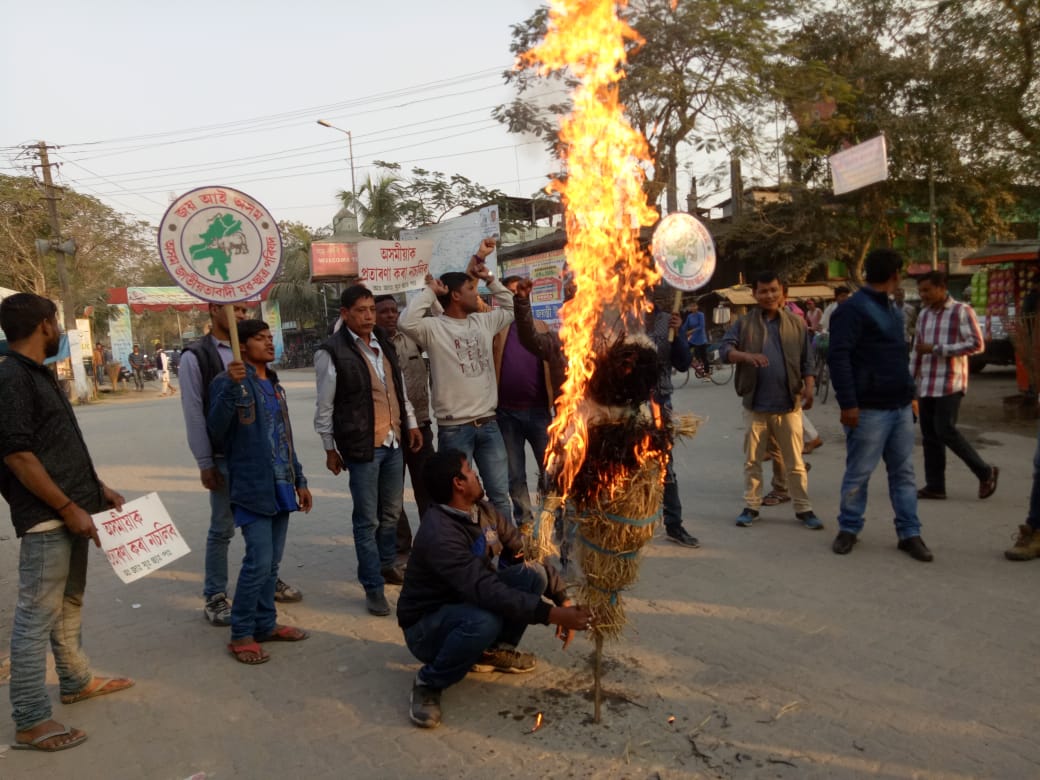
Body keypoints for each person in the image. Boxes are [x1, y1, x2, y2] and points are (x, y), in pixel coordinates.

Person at [0, 293, 134, 752]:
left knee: (68, 602)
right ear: (44, 325)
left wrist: (97, 491)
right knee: (35, 617)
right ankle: (31, 719)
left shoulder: (38, 375)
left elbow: (59, 448)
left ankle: (76, 680)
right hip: (47, 519)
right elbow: (17, 454)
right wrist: (67, 508)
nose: (57, 330)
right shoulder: (11, 376)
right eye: (55, 321)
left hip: (72, 512)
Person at [397, 449, 592, 729]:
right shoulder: (439, 534)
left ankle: (490, 653)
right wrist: (552, 616)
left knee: (533, 574)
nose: (476, 475)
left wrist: (563, 598)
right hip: (427, 627)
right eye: (470, 471)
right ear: (458, 483)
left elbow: (527, 552)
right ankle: (429, 681)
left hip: (467, 601)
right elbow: (485, 590)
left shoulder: (483, 510)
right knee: (483, 621)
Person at [181, 303, 304, 627]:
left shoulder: (269, 375)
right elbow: (197, 414)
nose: (241, 315)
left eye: (244, 310)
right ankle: (217, 595)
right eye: (234, 309)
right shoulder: (197, 356)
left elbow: (281, 430)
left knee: (265, 545)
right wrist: (205, 461)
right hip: (227, 460)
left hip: (270, 467)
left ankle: (266, 591)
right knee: (223, 528)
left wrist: (299, 476)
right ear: (213, 310)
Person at [208, 320, 312, 664]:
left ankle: (266, 623)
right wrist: (230, 388)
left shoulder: (275, 383)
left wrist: (300, 479)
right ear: (243, 345)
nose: (269, 344)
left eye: (270, 338)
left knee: (272, 564)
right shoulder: (229, 382)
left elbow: (284, 435)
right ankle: (241, 634)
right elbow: (216, 429)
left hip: (282, 484)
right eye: (259, 339)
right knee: (258, 561)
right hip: (252, 486)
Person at [315, 286, 422, 617]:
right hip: (363, 445)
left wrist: (412, 424)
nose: (368, 316)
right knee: (367, 519)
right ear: (345, 314)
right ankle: (372, 587)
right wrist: (329, 449)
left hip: (393, 441)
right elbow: (325, 406)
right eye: (361, 310)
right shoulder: (331, 352)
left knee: (391, 512)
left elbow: (398, 390)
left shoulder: (383, 343)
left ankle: (387, 564)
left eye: (371, 310)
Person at [398, 239, 514, 522]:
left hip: (489, 424)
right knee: (460, 501)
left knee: (499, 495)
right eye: (471, 290)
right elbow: (405, 322)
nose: (478, 296)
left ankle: (510, 556)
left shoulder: (483, 322)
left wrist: (491, 279)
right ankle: (470, 555)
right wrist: (430, 292)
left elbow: (510, 309)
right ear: (455, 296)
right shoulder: (433, 329)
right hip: (455, 429)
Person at [828, 248, 933, 562]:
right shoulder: (852, 310)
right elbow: (839, 358)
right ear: (895, 275)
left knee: (904, 473)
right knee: (859, 473)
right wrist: (848, 404)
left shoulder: (892, 308)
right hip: (868, 409)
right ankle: (849, 528)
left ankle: (909, 533)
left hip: (899, 406)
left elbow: (900, 357)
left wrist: (910, 395)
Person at [720, 271, 821, 530]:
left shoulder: (796, 324)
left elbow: (806, 360)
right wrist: (746, 356)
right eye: (763, 291)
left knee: (795, 462)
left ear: (782, 292)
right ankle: (751, 506)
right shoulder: (744, 323)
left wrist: (809, 387)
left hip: (789, 404)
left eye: (773, 290)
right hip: (756, 406)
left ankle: (803, 508)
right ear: (754, 294)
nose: (769, 295)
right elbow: (724, 350)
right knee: (753, 461)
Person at [912, 271, 998, 500]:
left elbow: (977, 344)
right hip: (927, 383)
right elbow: (917, 349)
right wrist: (911, 380)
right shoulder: (924, 315)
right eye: (921, 291)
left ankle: (985, 471)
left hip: (951, 382)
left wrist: (938, 349)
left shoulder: (961, 311)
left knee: (946, 430)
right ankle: (935, 486)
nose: (924, 295)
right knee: (930, 436)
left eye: (927, 290)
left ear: (942, 287)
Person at [375, 294, 435, 560]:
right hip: (389, 431)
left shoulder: (412, 338)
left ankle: (432, 541)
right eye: (383, 311)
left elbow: (441, 323)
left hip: (420, 425)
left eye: (393, 310)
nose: (390, 315)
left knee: (428, 488)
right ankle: (401, 546)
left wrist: (429, 292)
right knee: (391, 495)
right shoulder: (369, 345)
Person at [493, 276, 553, 526]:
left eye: (519, 292)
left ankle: (553, 521)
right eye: (509, 293)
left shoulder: (542, 328)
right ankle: (526, 525)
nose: (515, 297)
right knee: (515, 475)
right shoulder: (496, 329)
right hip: (507, 415)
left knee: (550, 472)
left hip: (539, 413)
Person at [682, 300, 710, 375]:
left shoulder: (701, 315)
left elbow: (701, 326)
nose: (692, 307)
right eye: (691, 306)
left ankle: (707, 373)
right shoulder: (689, 316)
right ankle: (696, 363)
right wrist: (680, 331)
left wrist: (691, 331)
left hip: (701, 339)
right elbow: (685, 326)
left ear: (697, 307)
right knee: (685, 348)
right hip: (693, 339)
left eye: (694, 306)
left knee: (704, 357)